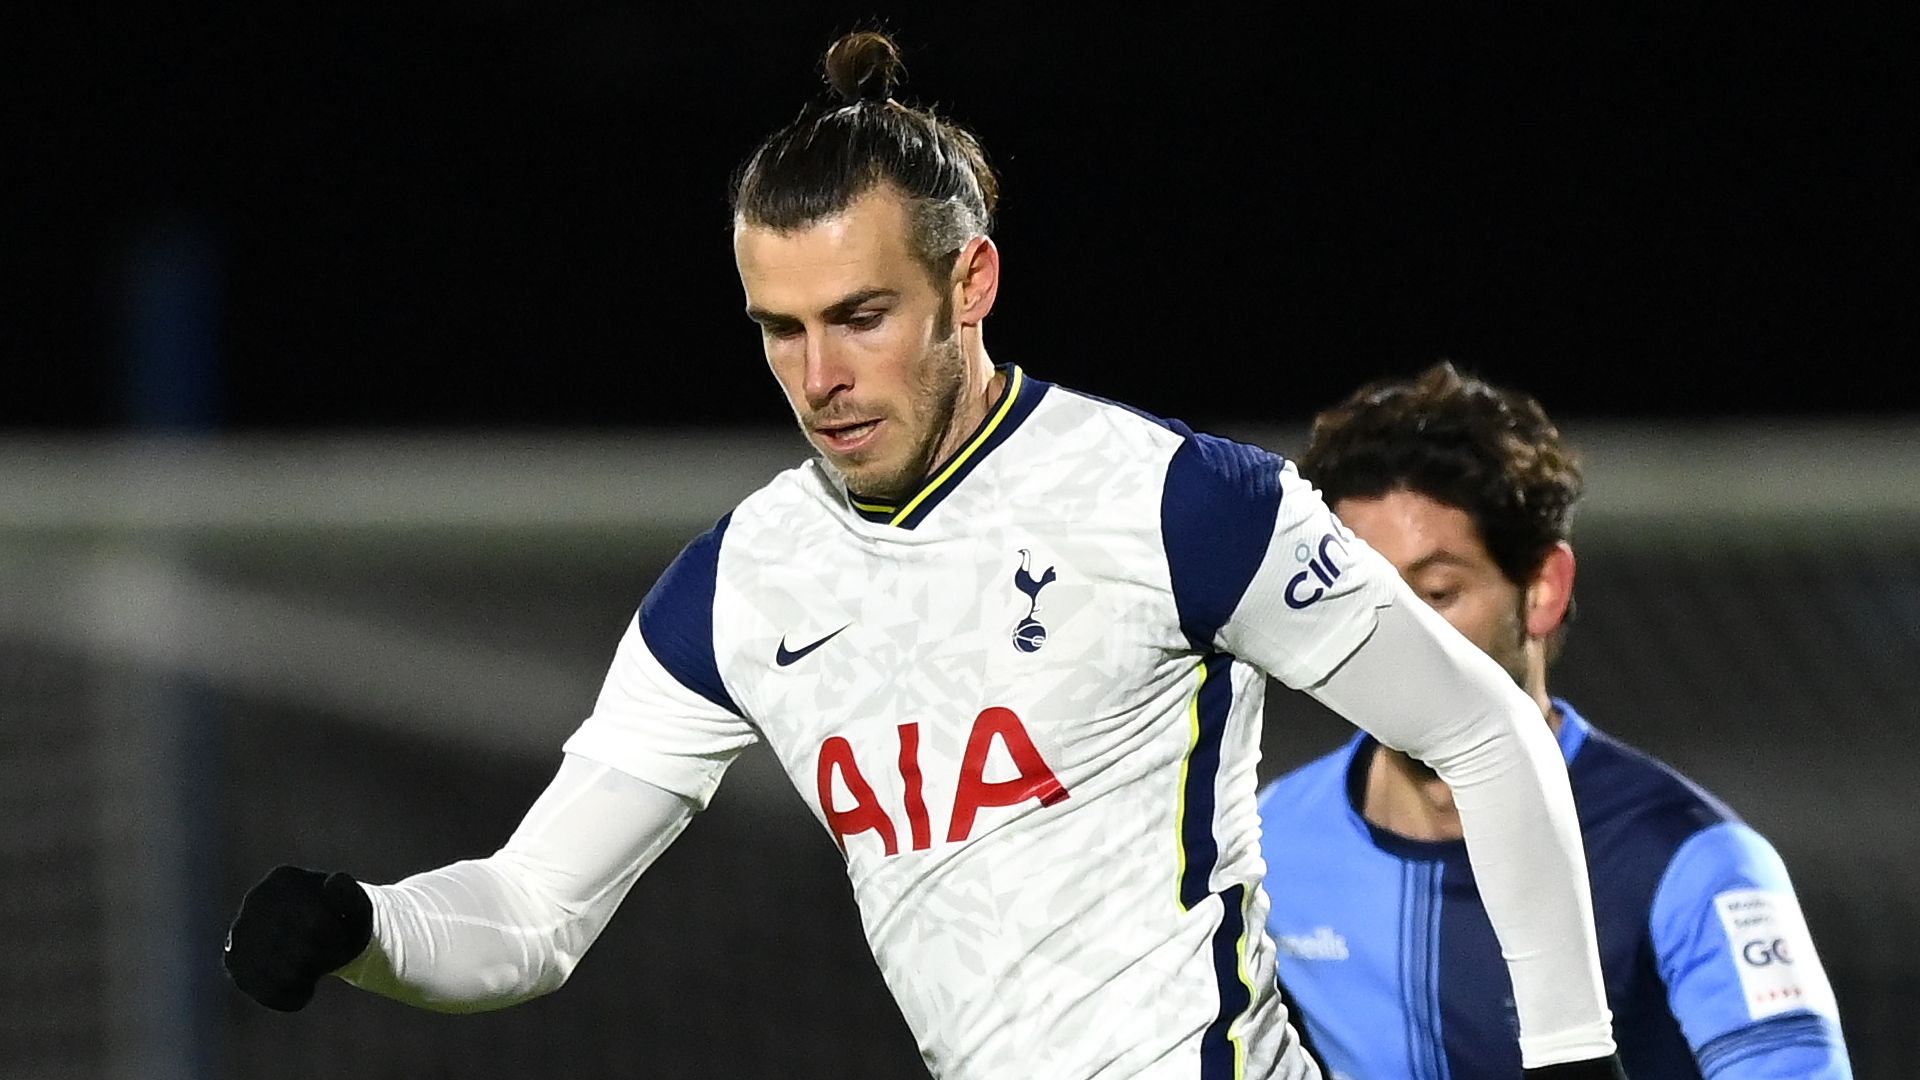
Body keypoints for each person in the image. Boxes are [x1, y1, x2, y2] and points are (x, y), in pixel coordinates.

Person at [223, 33, 1627, 1079]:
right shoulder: (739, 585)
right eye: (780, 329)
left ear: (972, 283)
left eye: (861, 313)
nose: (820, 373)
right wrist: (361, 926)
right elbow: (531, 914)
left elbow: (1488, 733)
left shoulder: (1176, 504)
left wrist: (1569, 1058)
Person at [1258, 363, 1852, 1079]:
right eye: (1360, 594)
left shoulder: (1692, 863)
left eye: (1437, 592)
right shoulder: (1266, 850)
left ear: (1542, 590)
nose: (1395, 636)